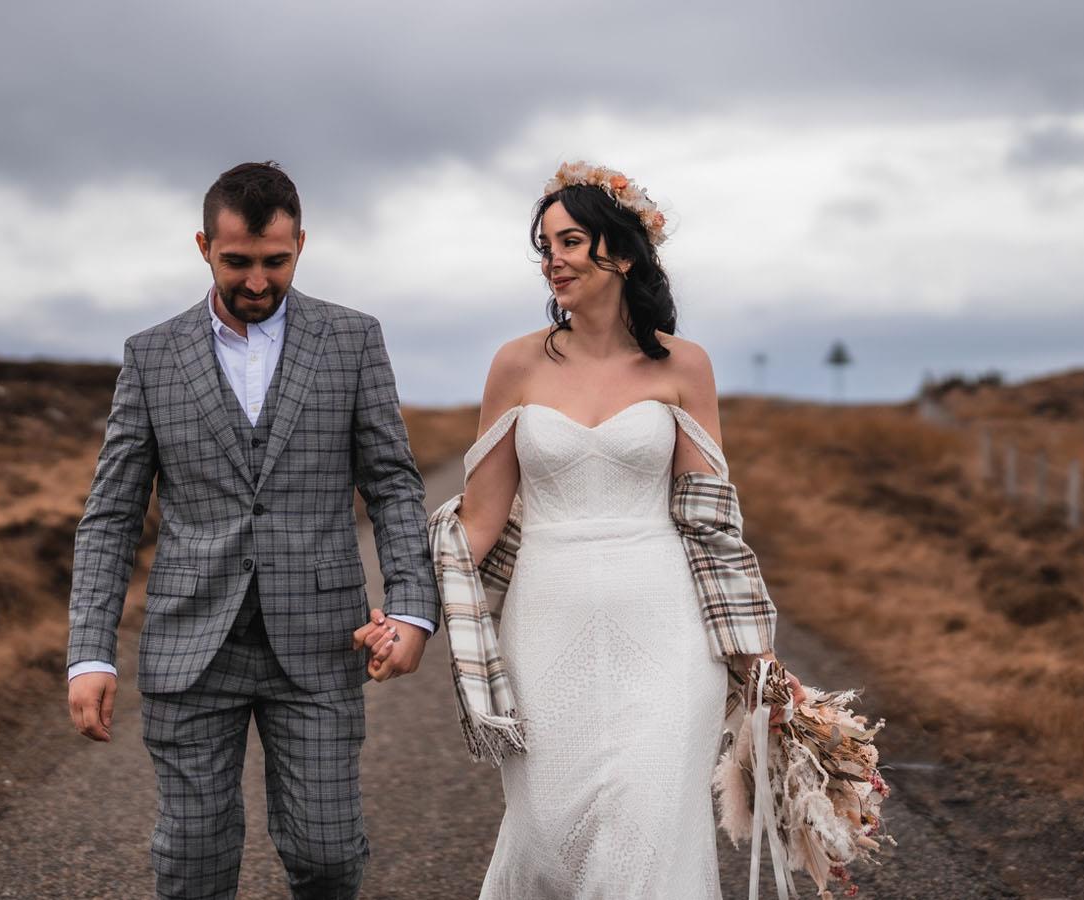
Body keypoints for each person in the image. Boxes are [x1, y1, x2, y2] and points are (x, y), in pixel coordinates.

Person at [360, 162, 800, 898]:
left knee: (647, 824)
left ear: (621, 253)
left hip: (667, 630)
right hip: (546, 623)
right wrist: (408, 609)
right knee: (547, 831)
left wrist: (756, 658)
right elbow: (478, 524)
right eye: (546, 245)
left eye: (569, 242)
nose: (552, 259)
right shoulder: (517, 363)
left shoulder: (684, 367)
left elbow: (710, 523)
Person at [65, 161, 438, 900]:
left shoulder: (353, 340)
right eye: (238, 262)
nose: (259, 282)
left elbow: (393, 484)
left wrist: (411, 608)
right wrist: (88, 653)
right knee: (195, 861)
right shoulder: (152, 356)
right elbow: (110, 513)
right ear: (204, 245)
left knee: (328, 854)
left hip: (322, 641)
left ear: (301, 243)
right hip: (190, 646)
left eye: (276, 261)